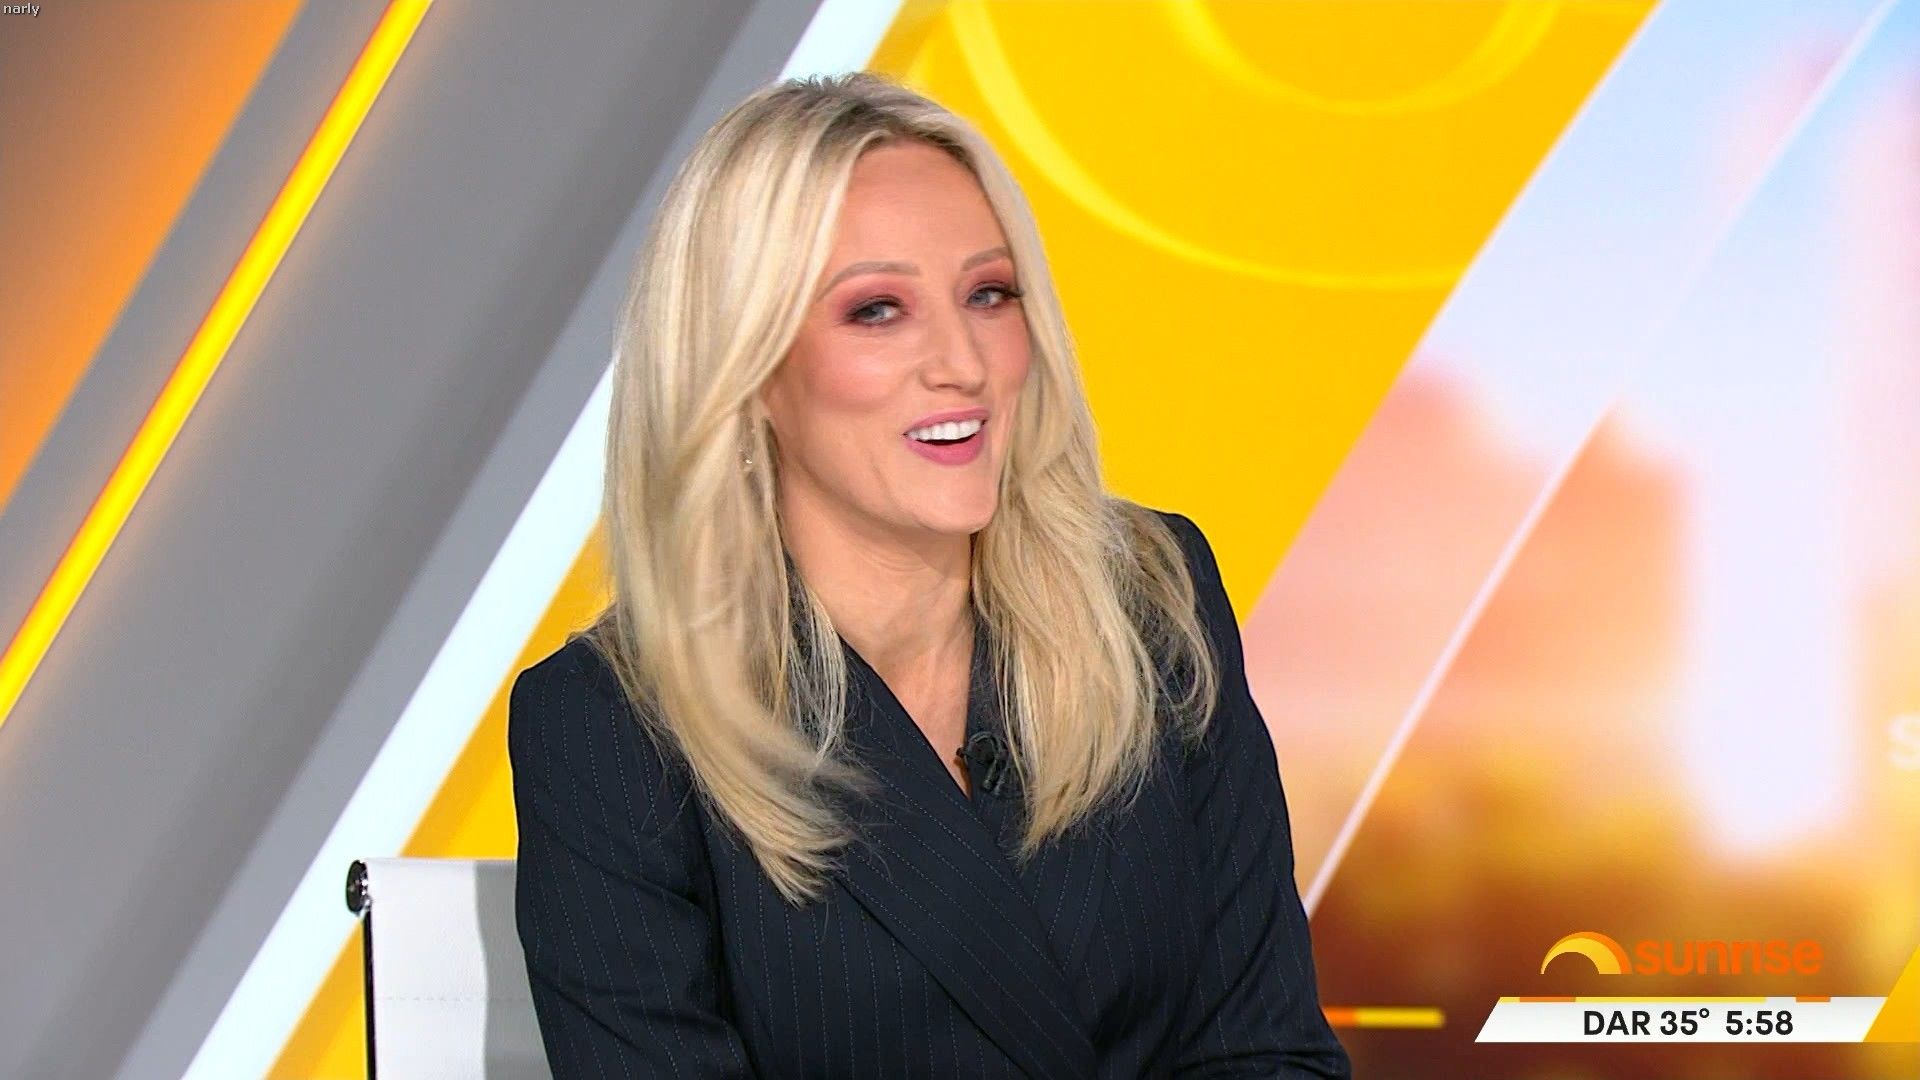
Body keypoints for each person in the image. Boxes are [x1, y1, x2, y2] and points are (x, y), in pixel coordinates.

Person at [507, 70, 1351, 1078]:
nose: (964, 362)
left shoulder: (1151, 603)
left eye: (989, 295)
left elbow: (1267, 1050)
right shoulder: (609, 727)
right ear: (747, 365)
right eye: (878, 311)